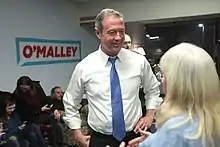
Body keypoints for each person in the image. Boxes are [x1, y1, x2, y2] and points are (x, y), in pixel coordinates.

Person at [63, 8, 161, 147]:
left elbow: (152, 90)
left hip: (135, 136)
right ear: (98, 33)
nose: (118, 37)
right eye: (112, 32)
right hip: (100, 140)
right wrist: (77, 131)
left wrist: (150, 114)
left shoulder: (139, 62)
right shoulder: (84, 67)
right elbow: (70, 101)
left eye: (121, 31)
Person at [120, 43, 220, 147]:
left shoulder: (175, 128)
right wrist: (156, 140)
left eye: (164, 75)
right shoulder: (212, 121)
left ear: (177, 82)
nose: (162, 81)